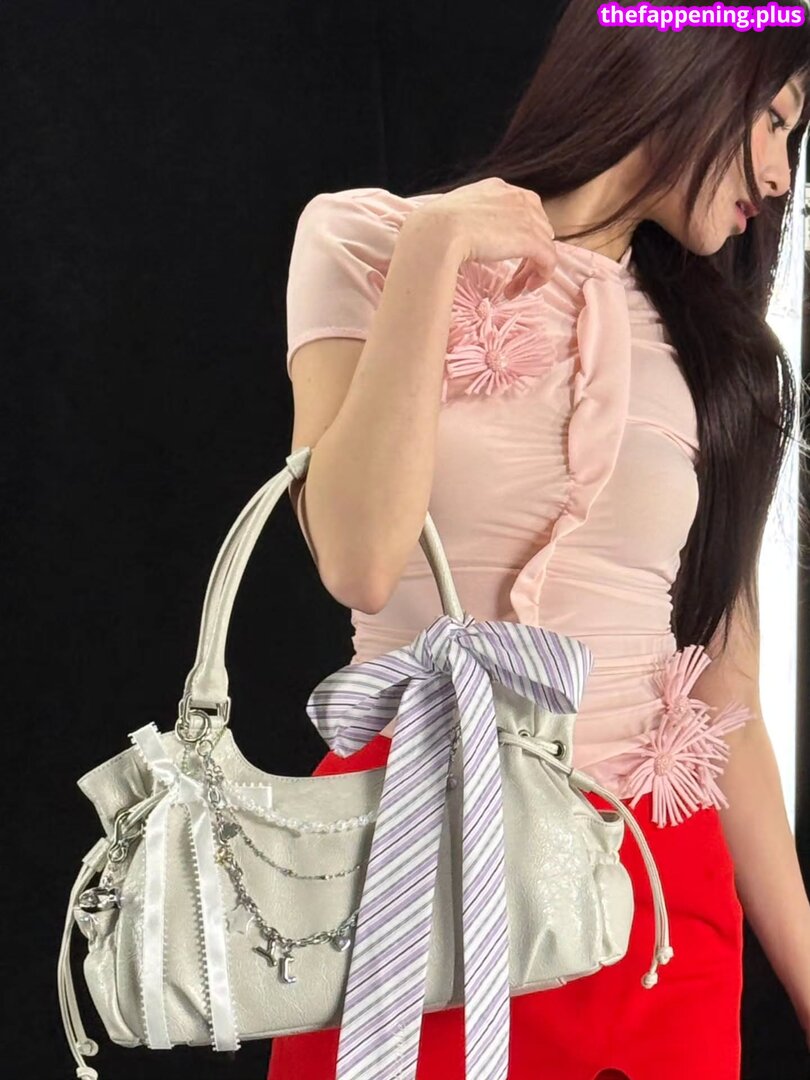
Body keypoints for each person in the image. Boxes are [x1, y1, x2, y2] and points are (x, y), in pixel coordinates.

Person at [267, 4, 810, 1077]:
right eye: (777, 119)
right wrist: (437, 250)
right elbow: (358, 559)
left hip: (654, 897)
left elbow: (726, 688)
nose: (781, 172)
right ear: (690, 55)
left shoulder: (726, 361)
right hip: (406, 865)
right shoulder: (365, 237)